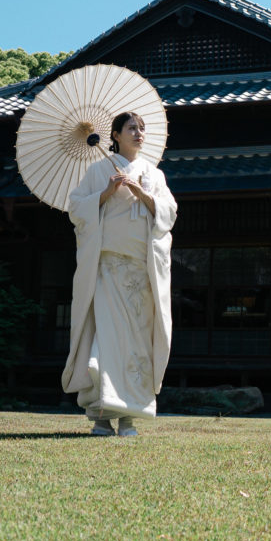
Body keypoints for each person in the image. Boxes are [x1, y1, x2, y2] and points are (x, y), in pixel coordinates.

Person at [61, 111, 177, 437]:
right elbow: (76, 209)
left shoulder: (154, 174)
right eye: (131, 128)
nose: (139, 133)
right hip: (108, 270)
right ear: (115, 135)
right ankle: (101, 416)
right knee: (107, 340)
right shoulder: (98, 171)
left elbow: (169, 214)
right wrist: (105, 194)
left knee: (137, 344)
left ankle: (129, 417)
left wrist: (144, 195)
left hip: (141, 272)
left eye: (142, 128)